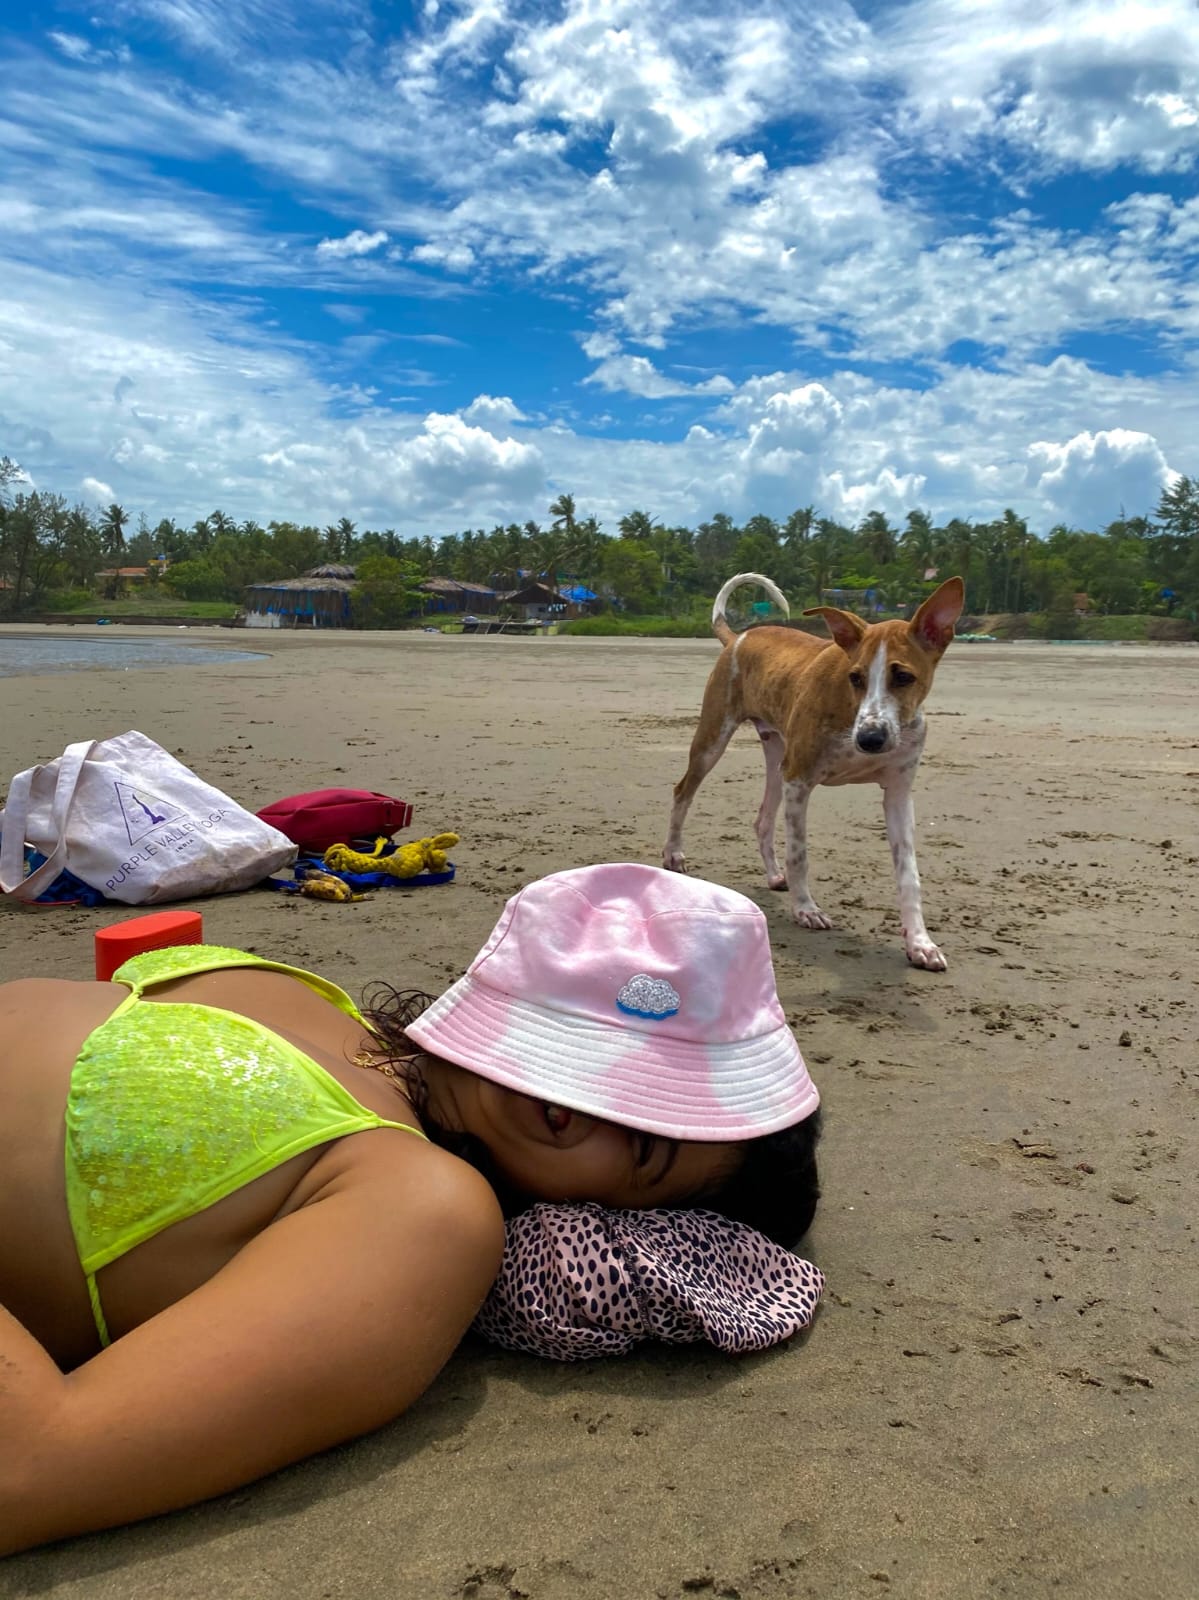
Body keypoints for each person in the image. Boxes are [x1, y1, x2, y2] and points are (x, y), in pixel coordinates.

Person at [0, 862, 822, 1554]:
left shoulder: (423, 1214)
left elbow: (28, 1466)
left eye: (644, 1147)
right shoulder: (321, 1012)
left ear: (618, 1222)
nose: (593, 1101)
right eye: (599, 1039)